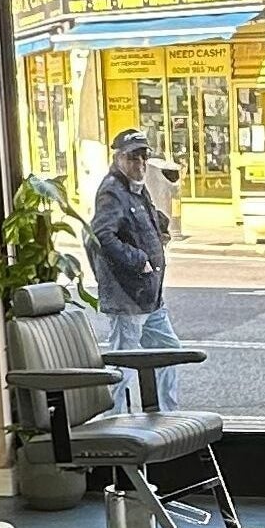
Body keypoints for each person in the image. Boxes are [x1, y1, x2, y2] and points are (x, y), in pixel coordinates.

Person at [88, 128, 182, 406]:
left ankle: (168, 413)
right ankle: (114, 421)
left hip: (150, 297)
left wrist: (160, 229)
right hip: (128, 295)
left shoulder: (136, 189)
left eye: (144, 156)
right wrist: (139, 260)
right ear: (118, 159)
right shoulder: (112, 192)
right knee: (123, 366)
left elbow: (141, 223)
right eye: (133, 157)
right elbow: (103, 236)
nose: (140, 163)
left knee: (169, 351)